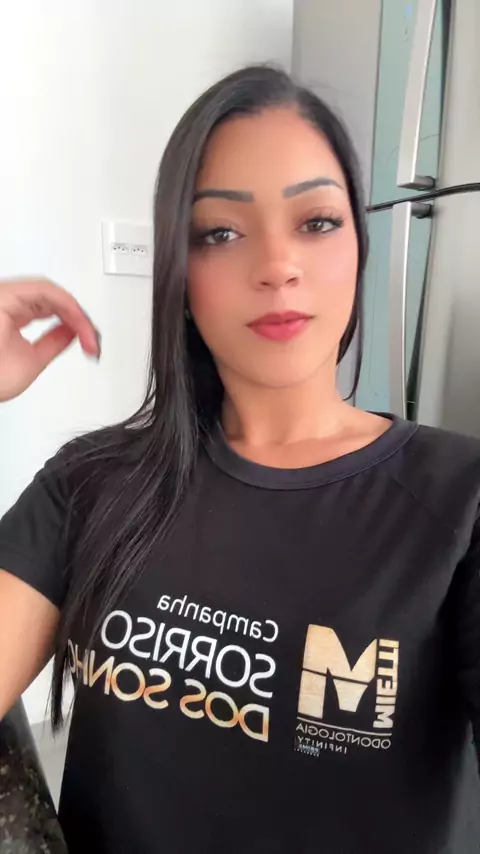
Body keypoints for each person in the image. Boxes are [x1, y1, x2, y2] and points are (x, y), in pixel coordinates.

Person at [0, 65, 479, 854]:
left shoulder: (460, 500)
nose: (277, 265)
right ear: (180, 276)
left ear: (359, 247)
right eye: (220, 233)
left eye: (316, 221)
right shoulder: (88, 484)